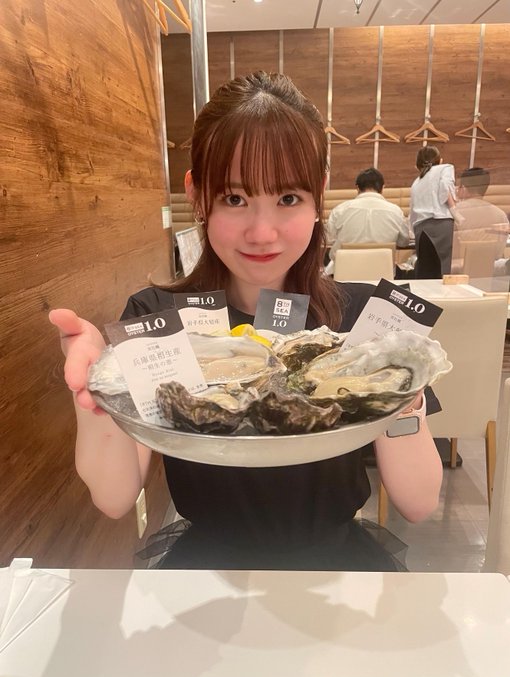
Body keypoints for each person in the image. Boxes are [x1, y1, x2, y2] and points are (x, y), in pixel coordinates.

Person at [49, 72, 443, 572]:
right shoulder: (157, 318)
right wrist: (92, 389)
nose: (262, 232)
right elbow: (114, 497)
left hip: (340, 569)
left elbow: (418, 501)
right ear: (198, 195)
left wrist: (400, 388)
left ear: (318, 195)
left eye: (288, 199)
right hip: (204, 571)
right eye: (234, 199)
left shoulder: (363, 318)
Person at [325, 167, 410, 275]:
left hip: (344, 274)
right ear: (382, 188)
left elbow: (328, 238)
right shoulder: (396, 212)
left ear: (357, 188)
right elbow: (404, 242)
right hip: (382, 276)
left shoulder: (340, 210)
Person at [409, 146, 456, 276]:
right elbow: (445, 188)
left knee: (426, 272)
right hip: (442, 224)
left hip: (421, 229)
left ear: (416, 166)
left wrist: (413, 231)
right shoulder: (445, 168)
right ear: (440, 160)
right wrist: (454, 211)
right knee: (444, 270)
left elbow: (413, 213)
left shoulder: (416, 182)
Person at [452, 167, 509, 269]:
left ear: (463, 188)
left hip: (457, 271)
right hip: (490, 271)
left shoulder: (454, 212)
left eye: (458, 187)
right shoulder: (501, 215)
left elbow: (450, 250)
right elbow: (499, 252)